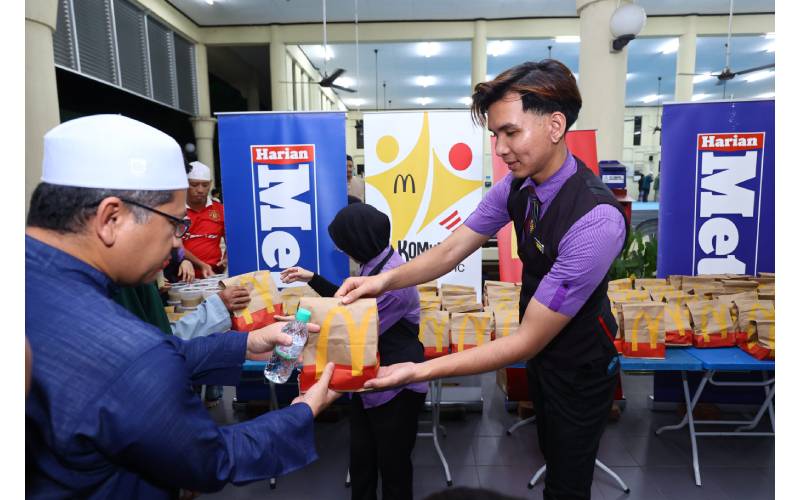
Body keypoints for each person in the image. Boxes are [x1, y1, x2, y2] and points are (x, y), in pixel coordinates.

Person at [336, 60, 628, 500]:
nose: (501, 148)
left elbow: (527, 339)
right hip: (545, 359)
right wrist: (380, 282)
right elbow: (453, 249)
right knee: (549, 452)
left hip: (581, 368)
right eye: (495, 136)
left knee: (568, 483)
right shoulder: (516, 186)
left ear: (555, 125)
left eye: (510, 132)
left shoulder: (596, 220)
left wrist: (419, 371)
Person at [25, 114, 339, 498]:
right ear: (111, 218)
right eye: (175, 225)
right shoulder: (128, 353)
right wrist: (302, 412)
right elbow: (210, 459)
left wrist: (247, 343)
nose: (178, 243)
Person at [281, 203, 426, 500]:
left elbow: (348, 328)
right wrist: (312, 278)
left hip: (396, 385)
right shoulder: (375, 263)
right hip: (366, 382)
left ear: (358, 241)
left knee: (394, 470)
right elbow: (345, 305)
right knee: (362, 462)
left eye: (344, 243)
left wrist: (297, 328)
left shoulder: (393, 282)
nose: (341, 248)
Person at [183, 160, 226, 277]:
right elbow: (173, 245)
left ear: (211, 184)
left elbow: (232, 240)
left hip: (214, 275)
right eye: (194, 184)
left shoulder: (220, 210)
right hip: (182, 277)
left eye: (205, 185)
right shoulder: (176, 210)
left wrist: (227, 256)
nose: (200, 190)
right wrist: (201, 264)